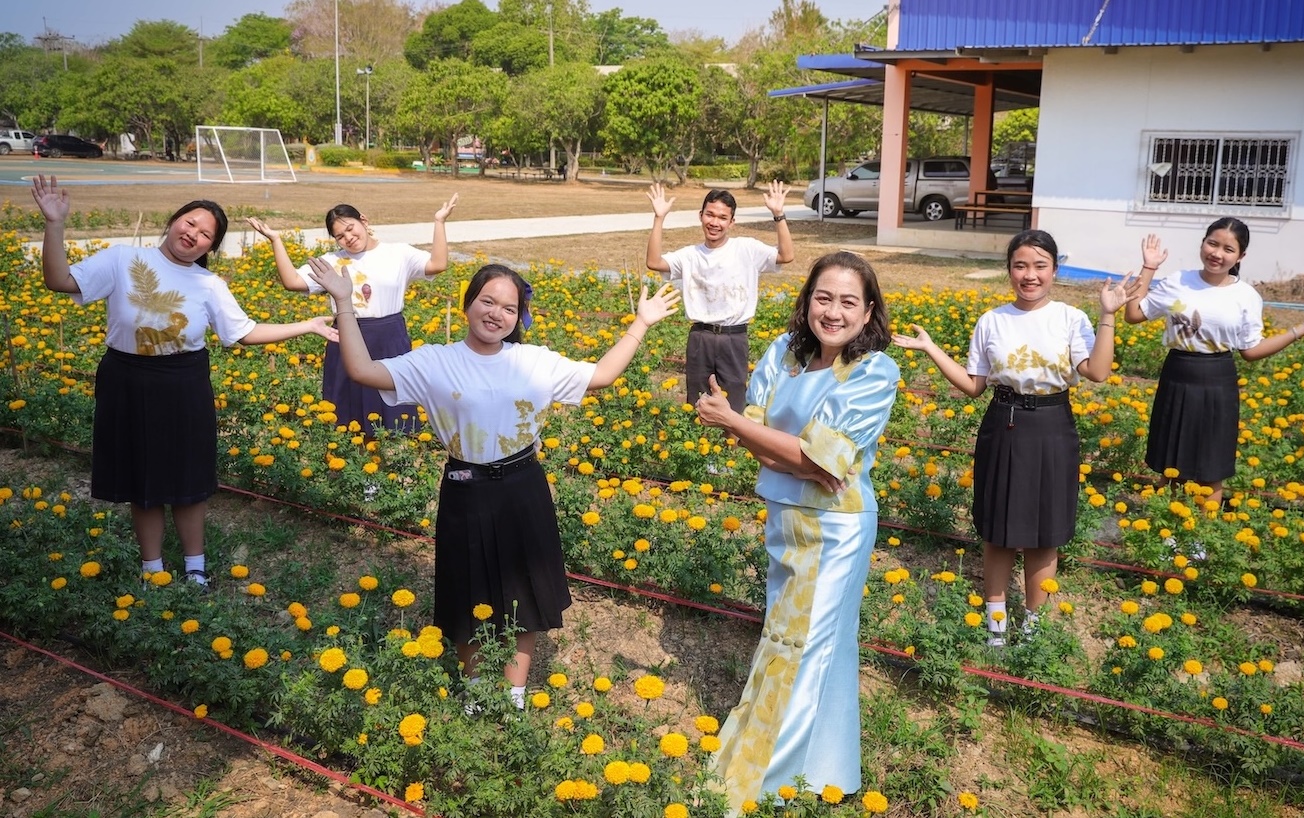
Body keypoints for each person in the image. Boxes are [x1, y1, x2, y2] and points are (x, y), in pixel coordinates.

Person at [306, 258, 679, 707]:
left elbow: (601, 376)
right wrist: (344, 303)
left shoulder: (533, 361)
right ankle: (477, 689)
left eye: (508, 308)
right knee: (468, 590)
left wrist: (641, 323)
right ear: (468, 304)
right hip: (465, 487)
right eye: (487, 301)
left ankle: (515, 693)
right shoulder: (435, 361)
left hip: (523, 485)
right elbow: (363, 370)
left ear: (518, 317)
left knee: (524, 592)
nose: (496, 313)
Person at [31, 176, 338, 585]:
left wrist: (307, 325)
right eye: (190, 223)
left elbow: (243, 332)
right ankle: (152, 570)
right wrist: (54, 224)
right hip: (126, 380)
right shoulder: (122, 259)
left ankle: (195, 568)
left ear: (211, 248)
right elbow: (59, 281)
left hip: (183, 382)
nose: (193, 234)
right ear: (174, 220)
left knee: (188, 476)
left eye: (205, 234)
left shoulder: (208, 284)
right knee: (142, 477)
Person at [694, 251, 898, 811]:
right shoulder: (783, 352)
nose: (833, 312)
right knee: (789, 641)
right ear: (807, 300)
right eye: (823, 298)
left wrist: (747, 430)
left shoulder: (875, 371)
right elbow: (785, 449)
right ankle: (826, 769)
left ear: (868, 312)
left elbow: (817, 458)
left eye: (848, 302)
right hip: (786, 518)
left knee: (808, 647)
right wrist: (793, 456)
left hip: (837, 529)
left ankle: (765, 783)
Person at [892, 230, 1132, 646]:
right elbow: (973, 386)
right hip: (1003, 424)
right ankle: (996, 623)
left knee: (1045, 531)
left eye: (1040, 266)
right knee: (998, 529)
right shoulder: (992, 320)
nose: (1030, 275)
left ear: (1054, 270)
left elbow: (1097, 372)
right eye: (1020, 266)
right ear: (1009, 270)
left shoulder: (1070, 318)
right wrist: (932, 349)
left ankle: (1034, 626)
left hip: (1053, 427)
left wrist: (1107, 315)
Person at [1124, 220, 1304, 510]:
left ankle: (1202, 533)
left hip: (1218, 381)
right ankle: (1169, 528)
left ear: (1241, 256)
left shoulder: (1246, 296)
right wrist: (1149, 267)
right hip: (1177, 375)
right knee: (1172, 461)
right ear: (1203, 243)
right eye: (1212, 243)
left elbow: (1250, 350)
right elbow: (1133, 314)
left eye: (1228, 249)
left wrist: (1300, 330)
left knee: (1211, 466)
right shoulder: (1179, 281)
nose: (1217, 253)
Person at [245, 194, 459, 436]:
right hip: (347, 338)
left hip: (390, 338)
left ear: (363, 221)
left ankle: (394, 456)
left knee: (396, 415)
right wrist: (276, 240)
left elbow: (437, 264)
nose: (348, 237)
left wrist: (439, 221)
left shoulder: (398, 253)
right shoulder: (332, 261)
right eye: (340, 236)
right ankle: (356, 456)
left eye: (350, 228)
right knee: (349, 416)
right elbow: (292, 281)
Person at [646, 182, 795, 411]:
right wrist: (659, 218)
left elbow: (786, 255)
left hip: (734, 337)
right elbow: (654, 262)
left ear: (731, 222)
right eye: (710, 215)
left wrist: (778, 214)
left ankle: (731, 435)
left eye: (723, 217)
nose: (715, 222)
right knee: (697, 403)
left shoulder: (746, 249)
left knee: (733, 403)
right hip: (700, 336)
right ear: (701, 216)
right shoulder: (690, 255)